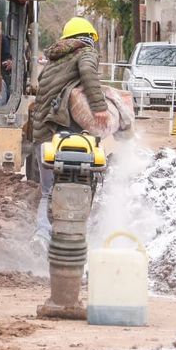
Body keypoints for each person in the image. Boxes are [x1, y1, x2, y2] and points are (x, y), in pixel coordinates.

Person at [29, 16, 109, 245]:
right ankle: (76, 240)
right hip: (62, 130)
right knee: (80, 184)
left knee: (48, 191)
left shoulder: (54, 60)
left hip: (42, 133)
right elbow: (87, 71)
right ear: (89, 38)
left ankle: (42, 236)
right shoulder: (85, 53)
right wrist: (99, 107)